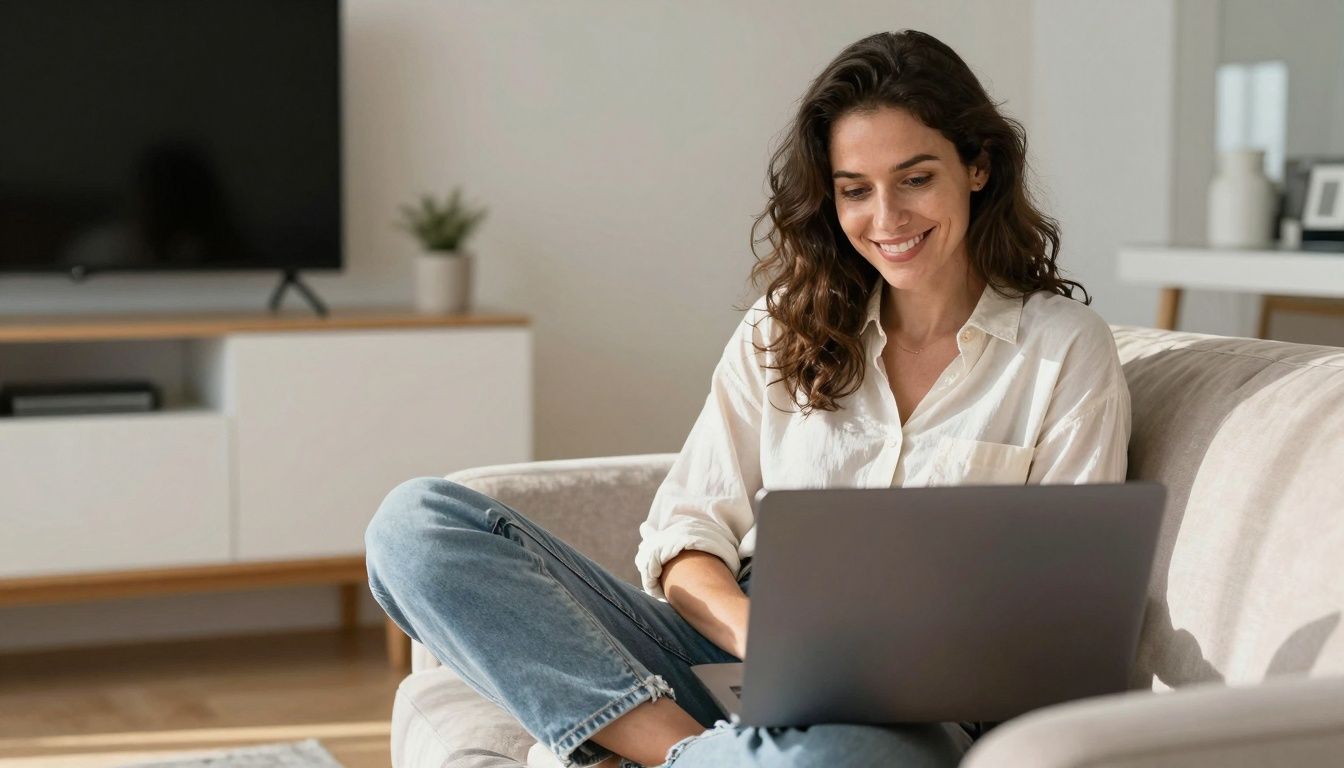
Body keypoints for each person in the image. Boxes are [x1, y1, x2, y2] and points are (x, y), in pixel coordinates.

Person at [366, 29, 1129, 768]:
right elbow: (686, 534)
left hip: (911, 711)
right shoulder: (785, 326)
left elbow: (1063, 611)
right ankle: (688, 754)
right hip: (732, 650)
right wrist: (762, 639)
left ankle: (660, 755)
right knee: (414, 526)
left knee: (844, 752)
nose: (886, 218)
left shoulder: (1063, 351)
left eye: (916, 178)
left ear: (978, 166)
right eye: (855, 190)